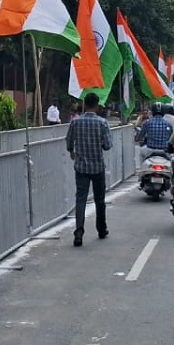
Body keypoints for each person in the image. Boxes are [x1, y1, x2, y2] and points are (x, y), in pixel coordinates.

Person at [65, 92, 112, 246]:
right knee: (100, 200)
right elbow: (107, 145)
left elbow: (69, 141)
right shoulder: (102, 123)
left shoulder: (75, 122)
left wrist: (71, 151)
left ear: (84, 105)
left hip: (81, 167)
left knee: (81, 199)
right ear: (97, 106)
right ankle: (101, 229)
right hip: (97, 167)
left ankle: (79, 233)